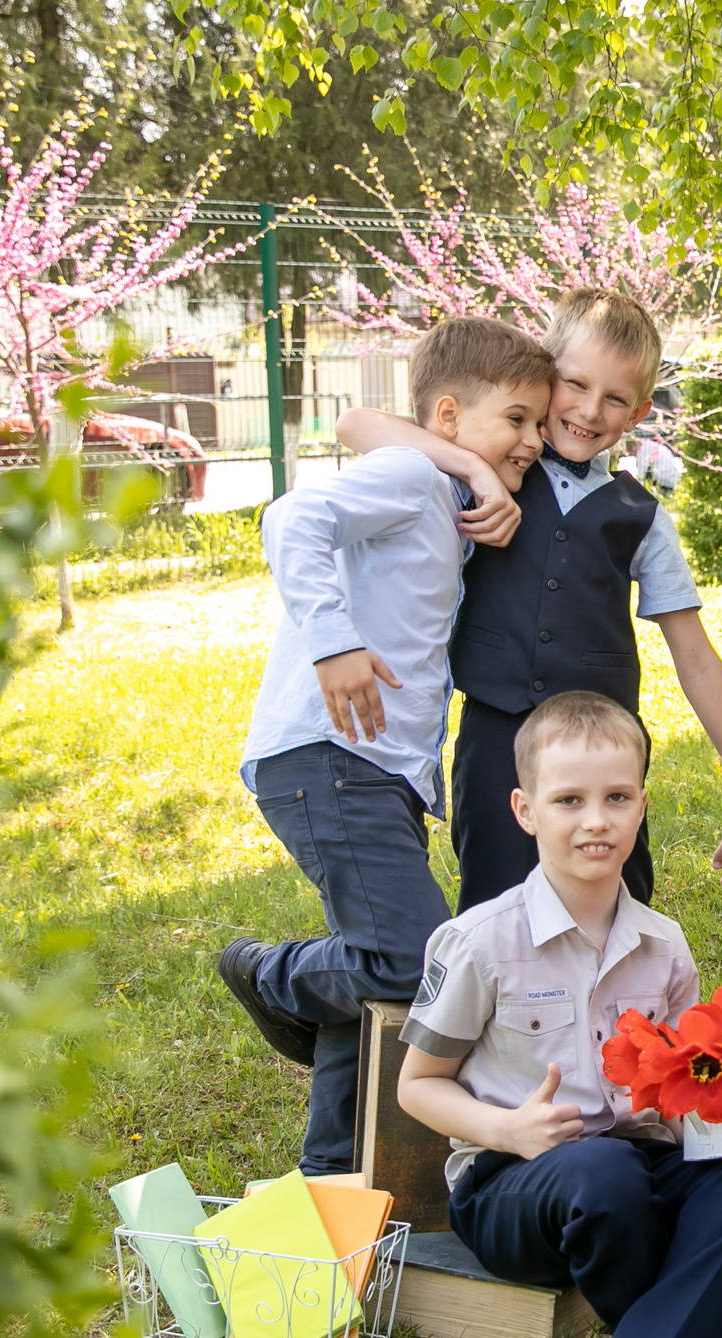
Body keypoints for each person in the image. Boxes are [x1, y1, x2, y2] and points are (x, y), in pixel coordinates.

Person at [392, 692, 722, 1338]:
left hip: (631, 1163)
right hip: (513, 1186)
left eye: (616, 798)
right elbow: (415, 1085)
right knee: (602, 1170)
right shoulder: (482, 942)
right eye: (568, 801)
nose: (594, 821)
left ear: (643, 805)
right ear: (525, 810)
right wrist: (504, 1130)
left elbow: (676, 1093)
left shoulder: (662, 944)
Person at [218, 316, 553, 1175]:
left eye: (541, 424)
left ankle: (331, 1174)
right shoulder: (409, 474)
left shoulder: (447, 488)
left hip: (381, 771)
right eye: (517, 418)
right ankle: (272, 974)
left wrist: (478, 463)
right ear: (447, 416)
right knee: (411, 958)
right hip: (329, 757)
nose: (534, 440)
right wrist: (333, 641)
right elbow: (291, 519)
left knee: (377, 975)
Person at [336, 288, 722, 911]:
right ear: (544, 372)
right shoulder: (494, 460)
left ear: (640, 410)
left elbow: (696, 659)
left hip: (605, 752)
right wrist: (476, 470)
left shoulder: (642, 519)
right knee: (495, 904)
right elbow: (356, 425)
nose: (590, 410)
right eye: (574, 384)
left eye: (615, 398)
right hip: (498, 737)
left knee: (615, 903)